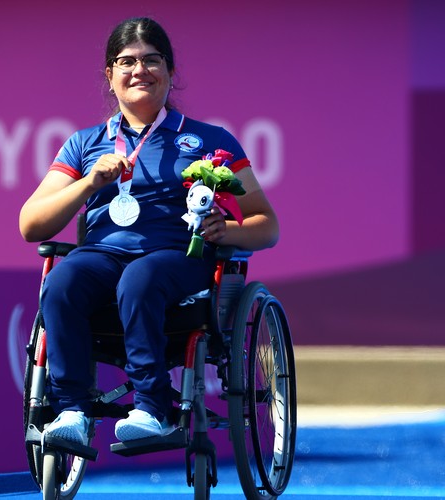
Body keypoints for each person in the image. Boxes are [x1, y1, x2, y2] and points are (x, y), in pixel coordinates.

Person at [19, 17, 279, 445]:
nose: (139, 70)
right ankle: (71, 412)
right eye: (127, 62)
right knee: (62, 282)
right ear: (110, 75)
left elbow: (266, 225)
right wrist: (88, 184)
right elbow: (31, 225)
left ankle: (152, 409)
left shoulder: (211, 141)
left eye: (152, 60)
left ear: (170, 71)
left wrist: (226, 229)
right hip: (103, 255)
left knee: (140, 278)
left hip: (179, 258)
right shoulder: (84, 144)